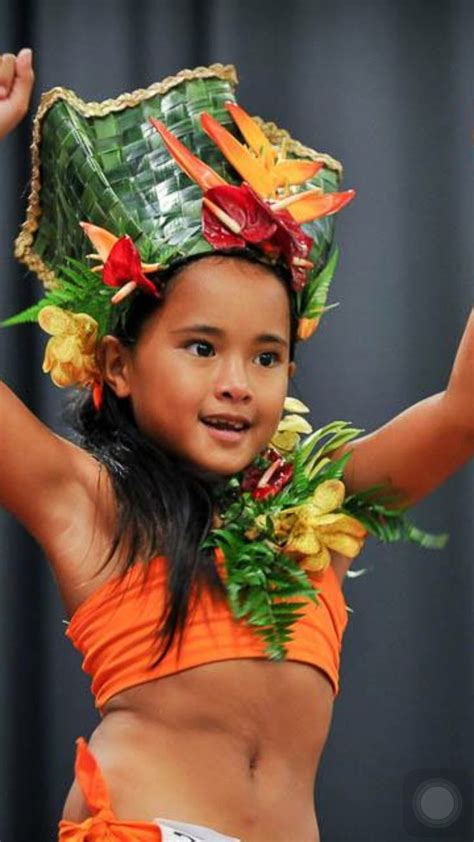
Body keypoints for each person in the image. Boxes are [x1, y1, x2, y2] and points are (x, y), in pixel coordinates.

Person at [0, 48, 473, 842]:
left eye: (266, 355)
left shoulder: (323, 507)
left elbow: (462, 414)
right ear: (116, 364)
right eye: (200, 347)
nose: (237, 382)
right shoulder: (89, 506)